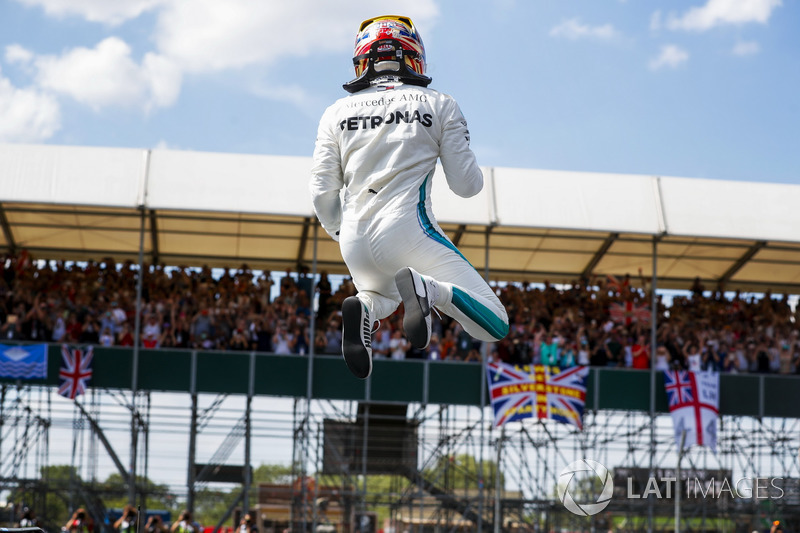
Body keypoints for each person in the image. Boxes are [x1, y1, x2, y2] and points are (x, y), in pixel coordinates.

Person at [310, 15, 509, 378]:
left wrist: (341, 232)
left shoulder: (334, 112)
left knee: (383, 296)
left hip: (354, 240)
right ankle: (431, 291)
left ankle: (365, 308)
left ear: (362, 60)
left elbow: (322, 192)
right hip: (410, 229)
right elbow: (467, 186)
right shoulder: (440, 103)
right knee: (494, 323)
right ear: (413, 55)